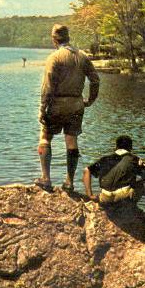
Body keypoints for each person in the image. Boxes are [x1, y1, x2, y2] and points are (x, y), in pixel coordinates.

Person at [36, 24, 100, 192]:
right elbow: (95, 80)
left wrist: (43, 109)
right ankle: (69, 182)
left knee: (45, 136)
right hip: (76, 105)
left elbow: (47, 87)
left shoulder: (55, 57)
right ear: (68, 38)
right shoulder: (82, 56)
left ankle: (46, 179)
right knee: (71, 141)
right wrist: (90, 100)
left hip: (56, 104)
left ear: (54, 39)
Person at [83, 135, 145, 220]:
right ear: (130, 148)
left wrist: (90, 195)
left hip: (105, 199)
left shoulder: (105, 159)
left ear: (116, 147)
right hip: (123, 200)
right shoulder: (133, 159)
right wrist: (143, 167)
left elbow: (86, 171)